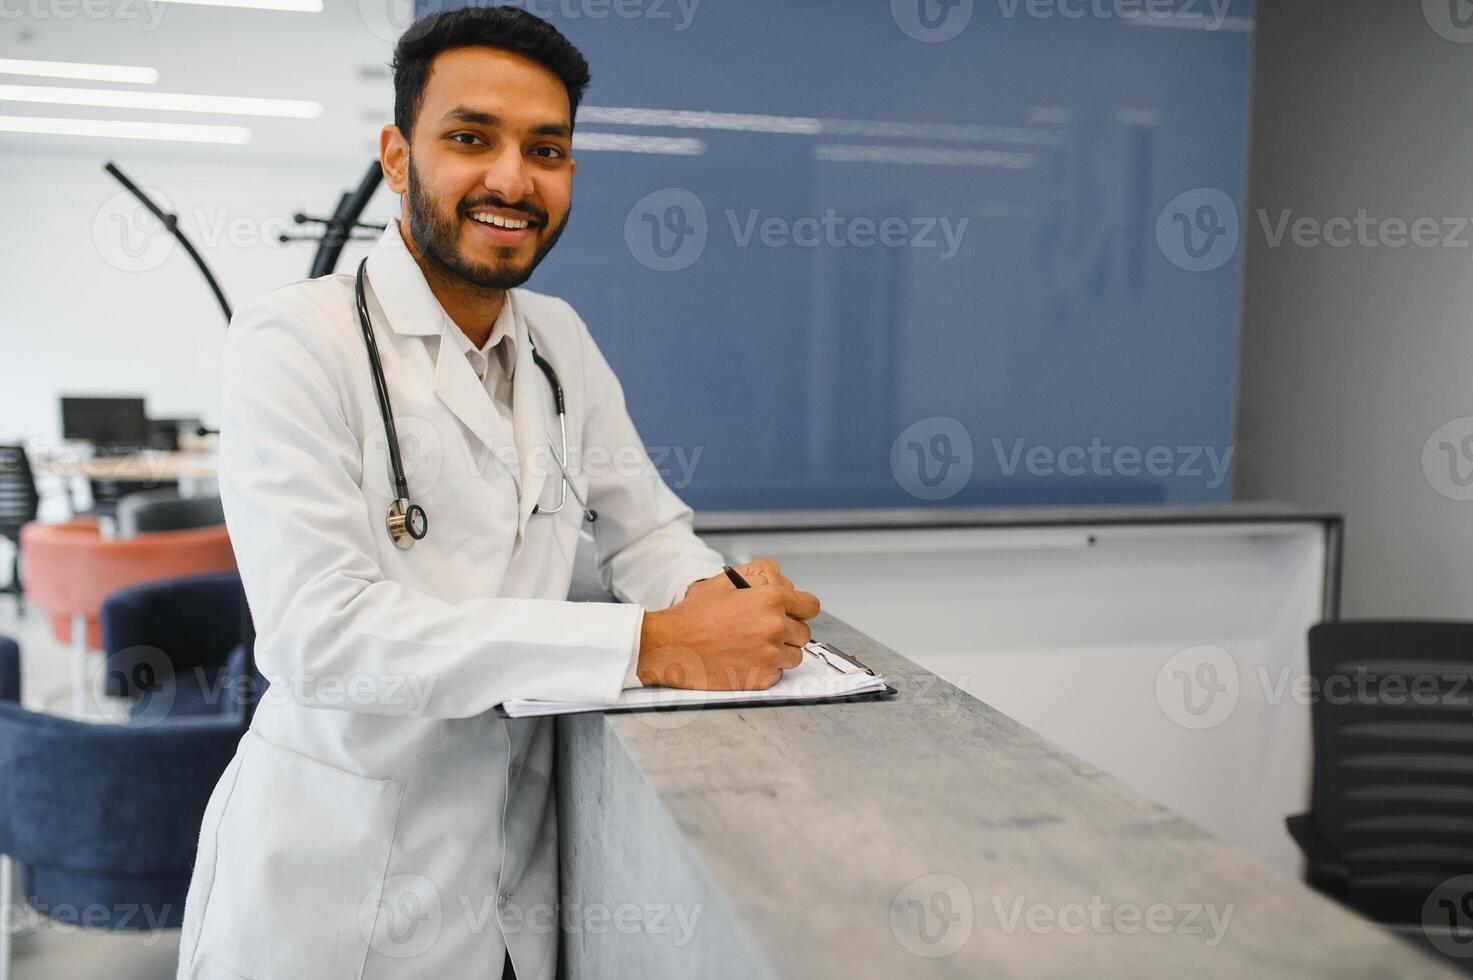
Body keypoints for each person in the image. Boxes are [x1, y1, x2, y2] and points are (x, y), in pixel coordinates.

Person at [174, 8, 819, 979]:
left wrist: (713, 595)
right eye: (471, 138)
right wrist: (651, 642)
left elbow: (647, 529)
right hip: (334, 889)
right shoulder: (293, 341)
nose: (513, 179)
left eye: (546, 149)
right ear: (397, 156)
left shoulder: (560, 341)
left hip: (515, 886)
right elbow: (321, 636)